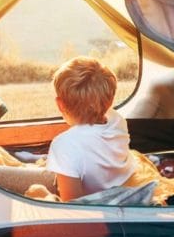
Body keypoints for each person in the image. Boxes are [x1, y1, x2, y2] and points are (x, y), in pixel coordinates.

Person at [46, 56, 137, 201]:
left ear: (60, 104)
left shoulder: (64, 144)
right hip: (117, 187)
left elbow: (72, 204)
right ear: (110, 100)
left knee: (30, 187)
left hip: (90, 204)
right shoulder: (117, 120)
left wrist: (42, 196)